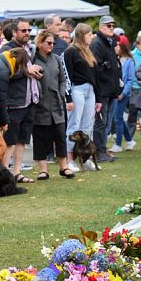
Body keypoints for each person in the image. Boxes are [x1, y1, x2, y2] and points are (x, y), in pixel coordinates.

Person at [0, 18, 42, 183]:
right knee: (9, 140)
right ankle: (4, 174)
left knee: (22, 139)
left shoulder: (29, 49)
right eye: (23, 31)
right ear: (14, 32)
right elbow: (5, 74)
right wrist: (27, 71)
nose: (27, 33)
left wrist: (36, 72)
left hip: (29, 100)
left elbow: (28, 71)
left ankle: (17, 172)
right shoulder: (7, 49)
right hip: (14, 102)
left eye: (29, 30)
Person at [32, 31, 72, 179]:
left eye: (53, 43)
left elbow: (63, 79)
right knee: (40, 137)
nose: (52, 46)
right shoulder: (33, 59)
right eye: (48, 43)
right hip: (40, 103)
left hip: (56, 102)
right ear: (40, 42)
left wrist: (61, 94)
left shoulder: (56, 59)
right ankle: (43, 169)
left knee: (60, 135)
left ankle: (64, 166)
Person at [63, 23, 98, 171]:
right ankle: (69, 159)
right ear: (81, 35)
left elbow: (94, 75)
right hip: (77, 89)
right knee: (74, 124)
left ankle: (86, 158)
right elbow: (66, 76)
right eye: (89, 34)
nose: (92, 37)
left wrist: (98, 97)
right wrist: (68, 97)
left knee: (87, 125)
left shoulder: (88, 51)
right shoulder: (70, 51)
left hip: (90, 90)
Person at [89, 15, 121, 162]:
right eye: (108, 25)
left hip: (109, 89)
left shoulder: (109, 42)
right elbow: (96, 68)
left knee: (106, 122)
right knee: (100, 122)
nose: (112, 28)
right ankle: (98, 152)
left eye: (113, 25)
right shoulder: (97, 43)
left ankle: (102, 149)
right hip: (101, 90)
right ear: (101, 27)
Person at [108, 40, 136, 153]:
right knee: (118, 117)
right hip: (115, 92)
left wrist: (123, 93)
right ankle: (129, 140)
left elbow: (130, 80)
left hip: (123, 93)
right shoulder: (115, 59)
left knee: (118, 118)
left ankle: (118, 143)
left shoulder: (129, 62)